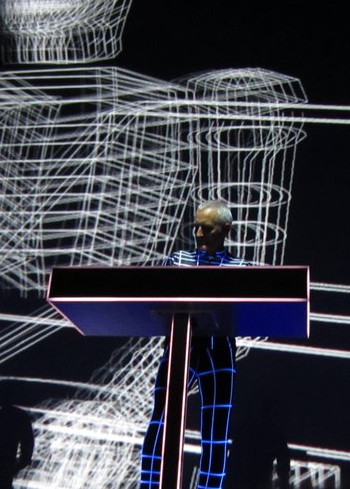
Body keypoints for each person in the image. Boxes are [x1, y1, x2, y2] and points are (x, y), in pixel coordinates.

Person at [140, 200, 246, 489]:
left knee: (216, 430)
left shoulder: (239, 268)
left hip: (219, 348)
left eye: (207, 228)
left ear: (226, 230)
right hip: (179, 344)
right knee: (161, 420)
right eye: (197, 227)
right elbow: (156, 298)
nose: (199, 234)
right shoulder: (178, 260)